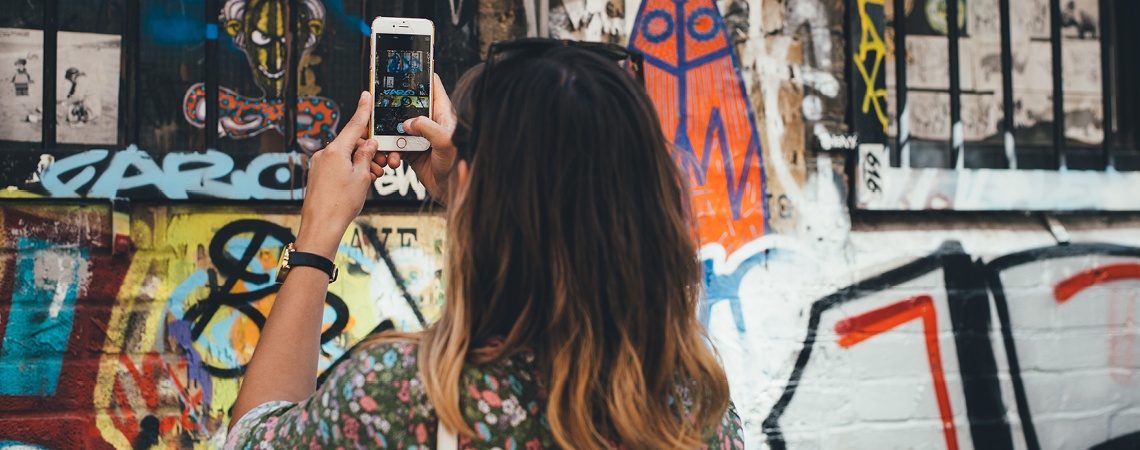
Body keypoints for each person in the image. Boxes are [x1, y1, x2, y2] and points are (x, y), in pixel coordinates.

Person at [226, 41, 744, 449]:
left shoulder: (400, 400)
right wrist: (473, 192)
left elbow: (251, 435)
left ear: (470, 182)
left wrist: (317, 236)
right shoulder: (696, 410)